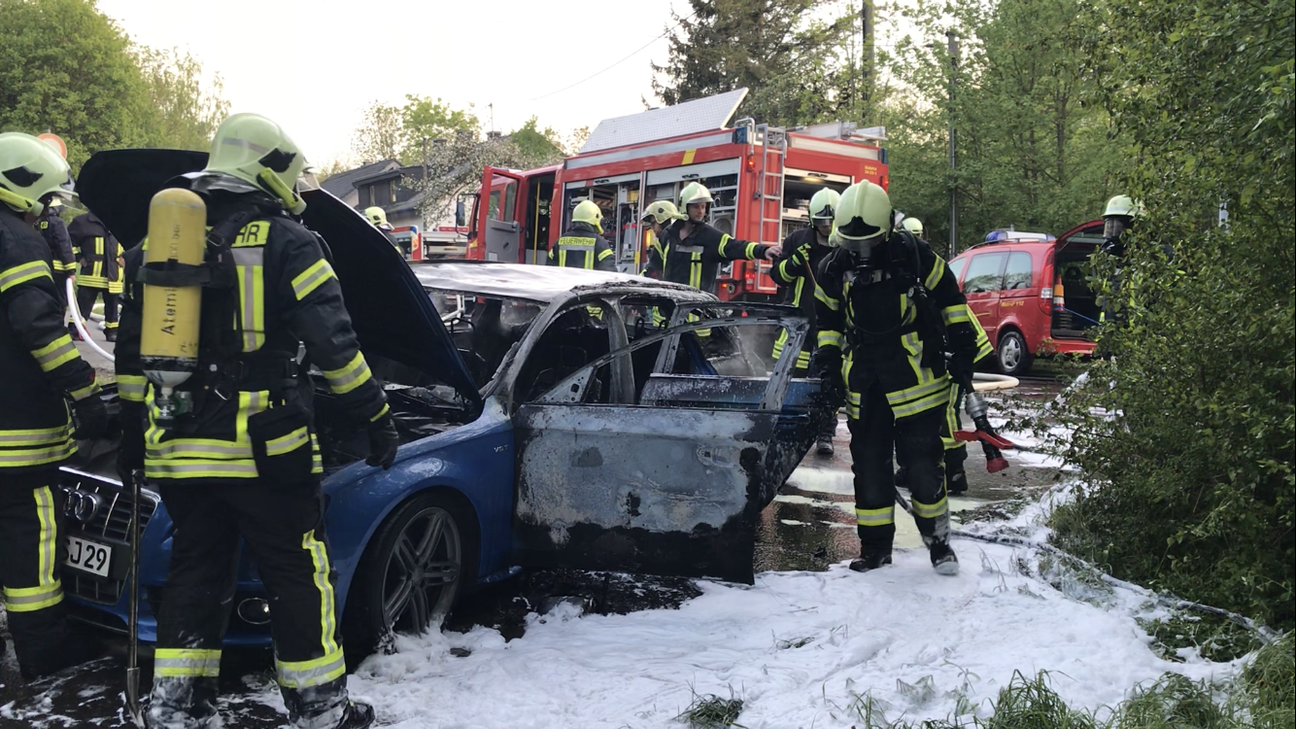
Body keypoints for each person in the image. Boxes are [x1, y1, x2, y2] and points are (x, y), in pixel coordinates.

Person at [115, 113, 397, 729]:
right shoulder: (290, 243)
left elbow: (131, 356)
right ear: (270, 171)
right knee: (296, 571)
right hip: (267, 449)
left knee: (196, 569)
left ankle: (176, 708)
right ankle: (320, 708)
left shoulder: (156, 246)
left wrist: (132, 433)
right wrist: (374, 415)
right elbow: (335, 347)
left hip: (177, 446)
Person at [812, 180, 979, 575]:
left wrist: (963, 347)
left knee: (922, 468)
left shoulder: (914, 255)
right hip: (865, 383)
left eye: (869, 242)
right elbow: (828, 322)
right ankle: (875, 550)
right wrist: (829, 365)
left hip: (916, 381)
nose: (861, 251)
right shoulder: (834, 267)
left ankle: (939, 546)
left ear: (887, 228)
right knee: (869, 469)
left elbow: (952, 301)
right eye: (854, 243)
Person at [0, 131, 108, 681]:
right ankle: (45, 658)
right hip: (16, 437)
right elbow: (40, 331)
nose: (47, 211)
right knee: (31, 544)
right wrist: (85, 393)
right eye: (45, 199)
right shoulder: (17, 243)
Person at [770, 188, 840, 455]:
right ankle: (787, 429)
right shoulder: (797, 241)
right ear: (812, 219)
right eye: (822, 221)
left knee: (828, 381)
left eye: (831, 221)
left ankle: (825, 433)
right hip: (799, 326)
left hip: (830, 326)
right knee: (790, 380)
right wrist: (794, 262)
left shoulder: (844, 246)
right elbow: (777, 276)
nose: (827, 226)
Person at [658, 182, 781, 293]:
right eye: (696, 207)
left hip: (696, 309)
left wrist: (763, 251)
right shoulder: (668, 234)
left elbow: (737, 246)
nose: (700, 211)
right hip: (667, 306)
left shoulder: (710, 237)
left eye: (703, 206)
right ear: (685, 207)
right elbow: (654, 268)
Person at [67, 211, 124, 341]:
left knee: (112, 307)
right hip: (91, 276)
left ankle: (112, 331)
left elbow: (133, 242)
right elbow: (67, 242)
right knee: (83, 306)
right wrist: (79, 257)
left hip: (114, 275)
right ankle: (75, 329)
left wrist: (126, 257)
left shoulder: (122, 221)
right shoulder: (83, 222)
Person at [34, 199, 76, 329]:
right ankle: (57, 327)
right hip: (58, 269)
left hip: (43, 266)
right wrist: (71, 271)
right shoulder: (58, 223)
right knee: (60, 300)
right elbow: (64, 246)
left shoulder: (39, 222)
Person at [548, 200, 615, 270]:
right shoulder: (600, 243)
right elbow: (609, 272)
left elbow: (549, 270)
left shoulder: (560, 242)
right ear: (596, 219)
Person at [638, 199, 681, 280]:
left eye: (654, 223)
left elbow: (651, 272)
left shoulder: (671, 242)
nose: (652, 228)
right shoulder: (662, 244)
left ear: (664, 221)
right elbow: (651, 270)